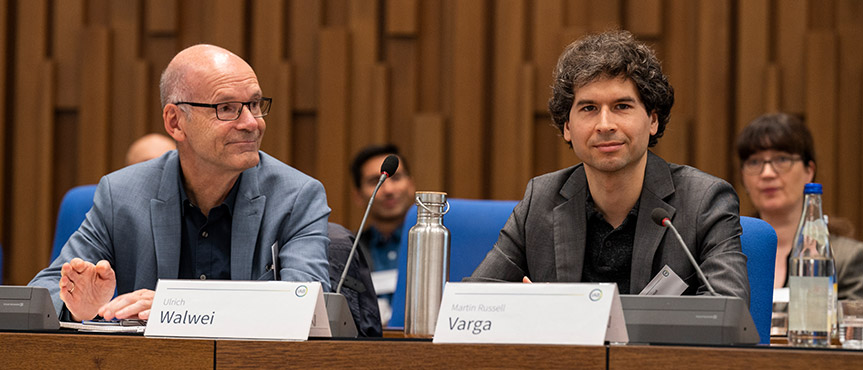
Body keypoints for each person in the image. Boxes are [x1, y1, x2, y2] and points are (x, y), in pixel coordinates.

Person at [29, 44, 331, 322]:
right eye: (226, 108)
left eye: (254, 104)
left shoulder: (297, 197)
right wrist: (75, 307)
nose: (252, 123)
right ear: (175, 122)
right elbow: (42, 296)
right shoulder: (121, 195)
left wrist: (173, 308)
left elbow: (306, 308)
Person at [469, 30, 750, 303]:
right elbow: (473, 303)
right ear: (567, 127)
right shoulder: (541, 200)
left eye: (622, 107)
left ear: (652, 120)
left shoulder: (703, 200)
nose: (605, 125)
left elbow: (727, 307)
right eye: (589, 108)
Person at [736, 112, 863, 300]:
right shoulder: (726, 253)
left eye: (782, 159)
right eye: (754, 162)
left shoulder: (846, 258)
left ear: (809, 171)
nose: (767, 173)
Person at [349, 144, 415, 325]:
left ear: (411, 185)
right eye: (374, 181)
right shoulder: (349, 252)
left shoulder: (434, 248)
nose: (388, 190)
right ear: (358, 195)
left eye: (396, 178)